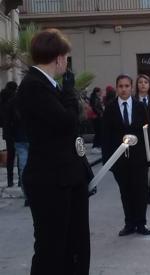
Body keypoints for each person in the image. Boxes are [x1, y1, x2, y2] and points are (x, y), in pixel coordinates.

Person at [17, 29, 91, 275]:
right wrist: (70, 93)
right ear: (59, 58)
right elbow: (66, 122)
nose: (67, 64)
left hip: (66, 176)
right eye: (66, 58)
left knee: (73, 244)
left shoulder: (48, 86)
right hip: (50, 180)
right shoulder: (33, 87)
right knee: (51, 248)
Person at [102, 74, 150, 236]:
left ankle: (141, 223)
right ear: (117, 88)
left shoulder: (139, 107)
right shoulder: (110, 108)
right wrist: (108, 161)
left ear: (132, 87)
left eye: (126, 86)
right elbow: (106, 136)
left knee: (140, 191)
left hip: (139, 158)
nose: (124, 89)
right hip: (119, 159)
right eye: (120, 86)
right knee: (126, 192)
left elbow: (146, 133)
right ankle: (129, 223)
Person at [4, 90, 29, 206]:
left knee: (24, 167)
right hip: (23, 140)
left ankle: (29, 194)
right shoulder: (29, 101)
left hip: (23, 139)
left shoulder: (13, 102)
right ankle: (29, 195)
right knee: (25, 167)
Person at [0, 81, 18, 187]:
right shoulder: (14, 100)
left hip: (7, 131)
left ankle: (9, 180)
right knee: (19, 154)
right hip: (16, 131)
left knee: (10, 156)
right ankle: (20, 180)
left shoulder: (2, 98)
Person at [89, 87, 104, 152]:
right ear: (97, 92)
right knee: (98, 131)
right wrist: (100, 113)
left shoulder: (95, 98)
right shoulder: (95, 99)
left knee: (99, 131)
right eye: (100, 92)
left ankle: (97, 145)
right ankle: (95, 146)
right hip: (96, 118)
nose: (101, 93)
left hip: (96, 117)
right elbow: (95, 107)